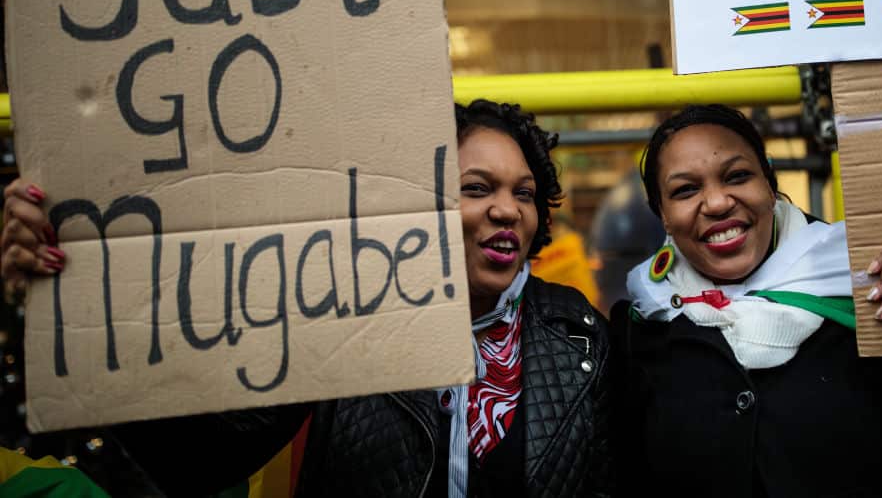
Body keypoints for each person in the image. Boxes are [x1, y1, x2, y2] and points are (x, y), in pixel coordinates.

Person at [1, 99, 613, 498]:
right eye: (476, 188)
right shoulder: (339, 316)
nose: (507, 209)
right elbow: (197, 456)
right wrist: (59, 288)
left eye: (525, 193)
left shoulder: (582, 333)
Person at [610, 103, 882, 498]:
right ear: (661, 214)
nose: (717, 203)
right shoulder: (641, 329)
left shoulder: (871, 293)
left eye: (737, 176)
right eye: (685, 190)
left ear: (770, 185)